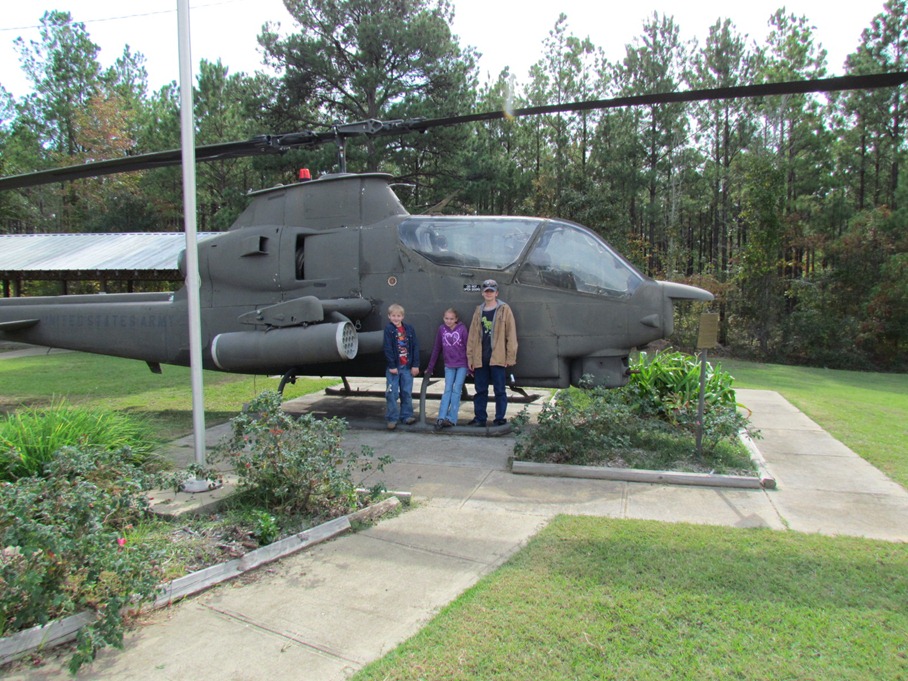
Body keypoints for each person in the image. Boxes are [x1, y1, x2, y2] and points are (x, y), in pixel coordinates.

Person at [466, 279, 517, 427]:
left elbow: (511, 334)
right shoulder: (478, 311)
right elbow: (472, 336)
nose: (489, 293)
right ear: (483, 293)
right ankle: (480, 418)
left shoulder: (504, 309)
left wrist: (510, 357)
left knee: (499, 390)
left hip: (498, 357)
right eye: (486, 291)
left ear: (496, 293)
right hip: (480, 357)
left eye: (491, 291)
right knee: (480, 390)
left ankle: (499, 418)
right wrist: (470, 357)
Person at [425, 307, 469, 431]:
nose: (448, 321)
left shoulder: (462, 329)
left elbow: (468, 347)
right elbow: (437, 348)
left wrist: (470, 367)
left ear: (456, 319)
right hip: (449, 365)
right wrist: (430, 367)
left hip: (462, 364)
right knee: (447, 390)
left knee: (456, 390)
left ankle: (452, 418)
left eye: (451, 319)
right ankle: (441, 417)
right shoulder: (442, 329)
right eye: (446, 318)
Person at [383, 303, 420, 430]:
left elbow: (415, 347)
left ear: (402, 316)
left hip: (407, 366)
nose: (396, 318)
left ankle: (407, 415)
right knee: (392, 393)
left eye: (398, 316)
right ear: (389, 316)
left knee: (406, 392)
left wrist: (415, 365)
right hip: (394, 368)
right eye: (393, 316)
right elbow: (388, 348)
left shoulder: (409, 329)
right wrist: (392, 365)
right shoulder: (388, 330)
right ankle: (392, 418)